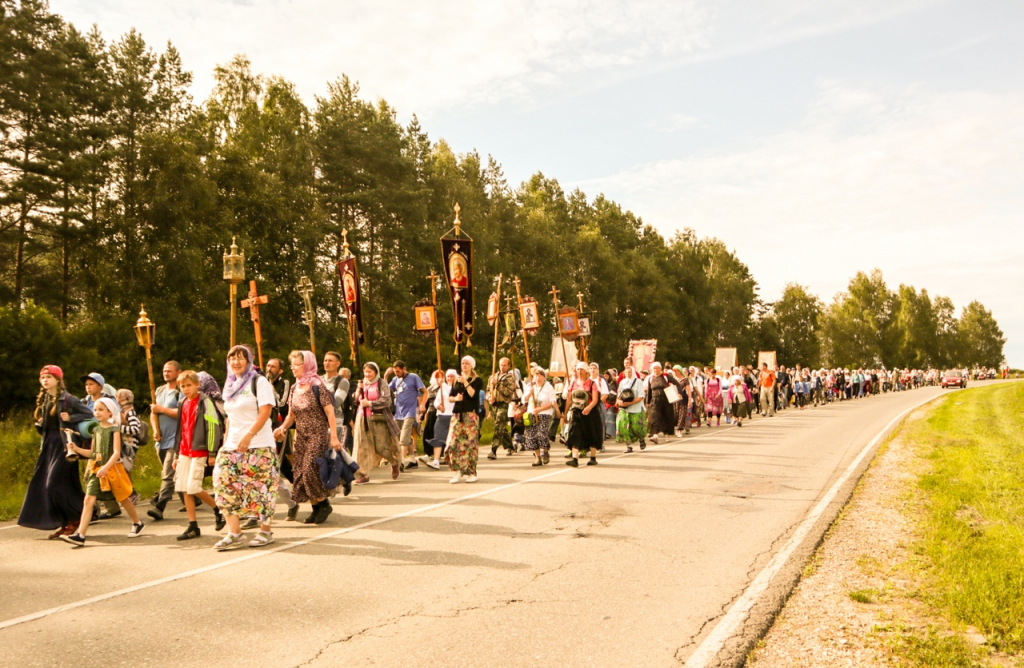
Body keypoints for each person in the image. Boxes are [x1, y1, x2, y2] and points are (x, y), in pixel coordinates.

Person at [213, 345, 279, 550]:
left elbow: (265, 412)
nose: (236, 362)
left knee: (261, 488)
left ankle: (265, 530)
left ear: (249, 361)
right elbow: (229, 418)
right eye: (232, 358)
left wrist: (249, 435)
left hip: (259, 444)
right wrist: (225, 443)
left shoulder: (259, 382)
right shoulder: (230, 384)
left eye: (241, 358)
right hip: (233, 444)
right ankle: (235, 532)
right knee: (222, 483)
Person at [273, 351, 347, 525]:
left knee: (309, 470)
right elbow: (291, 415)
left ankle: (324, 504)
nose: (293, 368)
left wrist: (334, 438)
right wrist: (282, 428)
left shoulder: (317, 386)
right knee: (299, 473)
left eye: (296, 364)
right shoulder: (294, 388)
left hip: (318, 434)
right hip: (300, 435)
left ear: (306, 365)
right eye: (291, 364)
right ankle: (316, 509)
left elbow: (330, 412)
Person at [18, 366, 91, 538]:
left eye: (49, 377)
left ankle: (75, 518)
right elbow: (49, 428)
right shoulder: (45, 401)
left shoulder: (69, 399)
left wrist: (71, 418)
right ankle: (68, 522)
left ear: (58, 380)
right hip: (49, 446)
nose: (45, 380)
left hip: (65, 447)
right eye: (43, 377)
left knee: (54, 484)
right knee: (49, 486)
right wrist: (40, 424)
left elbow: (91, 415)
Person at [61, 398, 144, 546]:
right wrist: (76, 449)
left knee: (123, 498)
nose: (97, 412)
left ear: (109, 412)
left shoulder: (114, 429)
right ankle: (81, 534)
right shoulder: (95, 430)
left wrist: (106, 467)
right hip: (97, 469)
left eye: (101, 410)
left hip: (112, 470)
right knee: (88, 500)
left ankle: (137, 523)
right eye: (96, 410)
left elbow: (116, 453)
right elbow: (93, 453)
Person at [171, 370, 226, 541]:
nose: (186, 389)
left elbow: (213, 427)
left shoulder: (205, 402)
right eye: (183, 386)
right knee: (184, 488)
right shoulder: (182, 403)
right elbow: (179, 429)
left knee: (193, 487)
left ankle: (218, 509)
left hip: (199, 449)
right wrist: (175, 454)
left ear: (197, 385)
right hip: (184, 450)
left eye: (189, 385)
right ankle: (193, 525)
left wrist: (211, 451)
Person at [353, 362, 402, 484]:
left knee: (380, 446)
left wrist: (370, 403)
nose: (367, 374)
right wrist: (359, 389)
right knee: (361, 446)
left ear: (376, 372)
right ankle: (363, 473)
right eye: (366, 372)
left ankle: (394, 462)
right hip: (362, 417)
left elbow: (386, 400)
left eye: (370, 372)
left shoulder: (381, 383)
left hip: (377, 418)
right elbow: (355, 399)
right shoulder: (362, 383)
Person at [148, 361, 182, 520]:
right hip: (161, 439)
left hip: (176, 439)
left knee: (168, 474)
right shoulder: (159, 390)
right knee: (175, 473)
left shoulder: (180, 391)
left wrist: (162, 409)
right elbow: (152, 413)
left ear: (178, 372)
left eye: (169, 371)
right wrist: (155, 429)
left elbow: (182, 412)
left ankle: (160, 506)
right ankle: (193, 498)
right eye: (164, 371)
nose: (166, 373)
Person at [385, 360, 427, 470]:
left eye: (398, 371)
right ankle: (413, 460)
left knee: (404, 438)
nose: (397, 373)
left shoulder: (413, 377)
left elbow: (425, 391)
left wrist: (422, 404)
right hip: (399, 413)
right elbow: (385, 390)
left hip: (410, 412)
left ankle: (401, 461)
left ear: (404, 369)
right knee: (399, 436)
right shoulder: (395, 379)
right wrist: (386, 376)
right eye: (395, 372)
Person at [447, 356, 484, 483]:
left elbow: (473, 394)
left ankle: (471, 472)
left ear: (471, 365)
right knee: (453, 443)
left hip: (470, 415)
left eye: (467, 363)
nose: (464, 365)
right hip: (457, 414)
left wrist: (465, 382)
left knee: (469, 444)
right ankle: (457, 471)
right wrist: (456, 398)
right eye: (462, 363)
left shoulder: (476, 380)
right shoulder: (455, 380)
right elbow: (450, 397)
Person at [563, 362, 602, 467]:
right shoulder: (573, 383)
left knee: (592, 433)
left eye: (582, 370)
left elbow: (594, 399)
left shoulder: (592, 384)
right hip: (576, 412)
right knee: (575, 433)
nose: (579, 372)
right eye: (578, 369)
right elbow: (569, 399)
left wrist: (588, 408)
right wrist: (565, 413)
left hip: (590, 413)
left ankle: (593, 458)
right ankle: (575, 459)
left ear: (586, 371)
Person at [522, 367, 556, 466]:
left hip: (544, 413)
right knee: (532, 435)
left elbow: (552, 402)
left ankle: (545, 451)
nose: (538, 377)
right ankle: (537, 457)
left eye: (540, 375)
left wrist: (540, 409)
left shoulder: (548, 387)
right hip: (532, 413)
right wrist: (529, 394)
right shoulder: (530, 386)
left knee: (542, 434)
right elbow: (524, 400)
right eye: (536, 375)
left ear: (544, 377)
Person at [486, 357, 518, 459]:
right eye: (501, 364)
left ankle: (493, 450)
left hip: (503, 404)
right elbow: (487, 390)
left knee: (498, 426)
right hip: (494, 404)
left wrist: (498, 384)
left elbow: (508, 392)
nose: (502, 366)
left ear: (508, 366)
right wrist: (489, 397)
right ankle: (510, 445)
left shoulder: (510, 378)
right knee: (501, 427)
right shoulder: (493, 377)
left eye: (504, 365)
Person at [615, 360, 647, 453]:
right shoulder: (622, 382)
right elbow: (619, 394)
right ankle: (628, 446)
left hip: (635, 408)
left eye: (630, 372)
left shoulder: (638, 382)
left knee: (636, 427)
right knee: (623, 426)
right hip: (624, 408)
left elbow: (641, 396)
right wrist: (618, 401)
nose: (628, 374)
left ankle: (641, 439)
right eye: (626, 372)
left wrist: (630, 403)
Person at [644, 362, 675, 443]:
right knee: (654, 417)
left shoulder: (666, 376)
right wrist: (647, 402)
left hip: (666, 400)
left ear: (660, 369)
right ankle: (655, 435)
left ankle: (667, 435)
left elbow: (677, 384)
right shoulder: (651, 378)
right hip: (655, 401)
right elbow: (649, 391)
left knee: (666, 417)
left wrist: (679, 393)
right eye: (654, 368)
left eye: (657, 368)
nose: (656, 370)